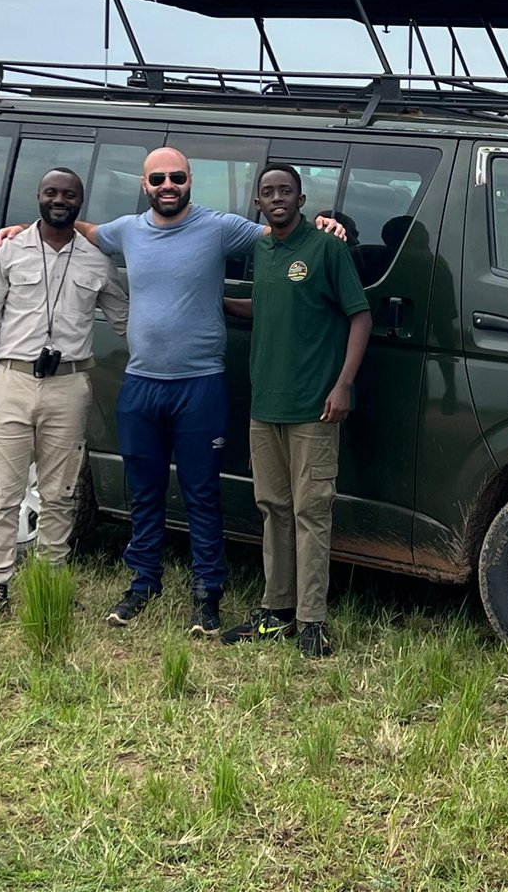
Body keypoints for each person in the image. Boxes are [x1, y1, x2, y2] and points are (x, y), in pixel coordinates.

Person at [0, 148, 343, 637]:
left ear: (190, 179)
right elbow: (78, 226)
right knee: (145, 491)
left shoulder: (219, 227)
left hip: (199, 384)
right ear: (145, 183)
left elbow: (282, 231)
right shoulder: (127, 230)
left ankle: (207, 592)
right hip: (141, 383)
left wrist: (326, 223)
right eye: (158, 178)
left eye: (177, 176)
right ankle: (143, 580)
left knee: (201, 493)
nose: (168, 185)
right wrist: (18, 230)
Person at [0, 168, 128, 621]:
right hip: (10, 381)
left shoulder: (96, 261)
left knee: (61, 490)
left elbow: (126, 318)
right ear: (38, 197)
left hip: (69, 385)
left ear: (80, 201)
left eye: (69, 194)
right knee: (1, 489)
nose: (60, 200)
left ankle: (51, 581)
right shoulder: (9, 252)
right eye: (51, 192)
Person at [220, 164, 371, 657]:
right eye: (268, 192)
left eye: (286, 190)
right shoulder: (261, 250)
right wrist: (215, 300)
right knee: (274, 510)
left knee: (311, 511)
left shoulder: (327, 248)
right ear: (258, 204)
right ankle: (276, 610)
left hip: (314, 408)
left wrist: (343, 384)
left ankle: (312, 619)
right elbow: (266, 306)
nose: (277, 197)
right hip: (266, 406)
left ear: (302, 200)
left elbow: (359, 315)